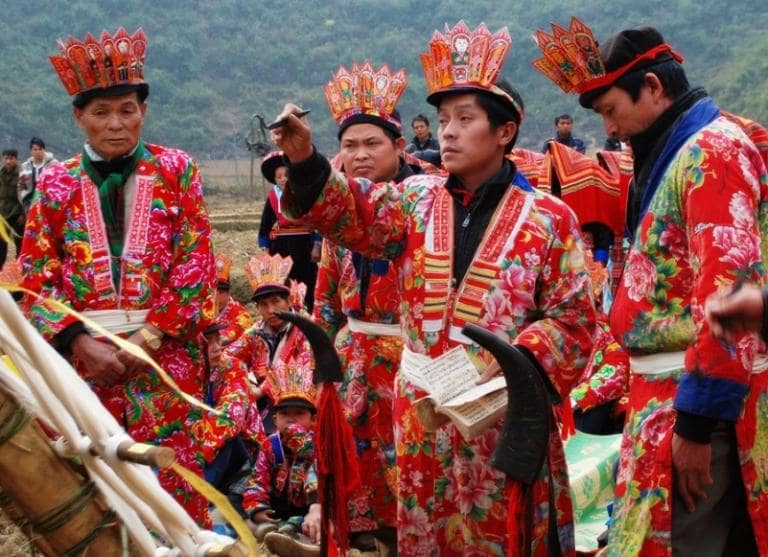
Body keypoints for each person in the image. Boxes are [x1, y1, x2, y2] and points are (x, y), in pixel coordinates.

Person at [271, 20, 597, 556]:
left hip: (502, 413)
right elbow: (352, 211)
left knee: (504, 536)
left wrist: (508, 364)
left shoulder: (549, 218)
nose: (446, 131)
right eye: (443, 119)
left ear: (505, 132)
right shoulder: (414, 200)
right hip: (422, 414)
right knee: (425, 533)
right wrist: (306, 161)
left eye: (465, 119)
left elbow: (574, 320)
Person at [535, 20, 768, 555]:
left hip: (692, 401)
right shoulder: (669, 150)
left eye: (612, 110)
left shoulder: (711, 152)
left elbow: (728, 294)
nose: (610, 128)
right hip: (658, 394)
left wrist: (696, 420)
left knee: (675, 543)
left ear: (654, 89)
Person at [20, 28, 216, 525]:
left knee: (173, 482)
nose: (115, 124)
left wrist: (145, 341)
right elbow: (37, 274)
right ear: (77, 117)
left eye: (127, 109)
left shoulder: (177, 170)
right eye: (101, 112)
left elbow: (194, 262)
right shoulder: (56, 181)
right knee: (96, 486)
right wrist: (79, 343)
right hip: (84, 365)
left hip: (165, 359)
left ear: (143, 112)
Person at [314, 61, 428, 553]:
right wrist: (320, 368)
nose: (359, 155)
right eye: (349, 145)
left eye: (372, 144)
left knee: (412, 476)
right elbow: (325, 300)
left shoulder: (428, 203)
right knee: (359, 483)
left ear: (400, 147)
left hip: (408, 364)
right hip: (353, 363)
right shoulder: (338, 213)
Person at [222, 252, 314, 436]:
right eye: (263, 304)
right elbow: (227, 358)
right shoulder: (255, 333)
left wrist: (262, 390)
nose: (270, 310)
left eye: (275, 301)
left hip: (299, 406)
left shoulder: (306, 330)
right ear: (257, 308)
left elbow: (306, 366)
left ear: (288, 301)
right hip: (265, 406)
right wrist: (243, 382)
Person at [241, 365, 320, 556]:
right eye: (285, 414)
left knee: (319, 526)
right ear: (275, 419)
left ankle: (300, 536)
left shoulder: (320, 444)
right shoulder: (270, 445)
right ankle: (281, 531)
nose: (291, 420)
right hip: (280, 507)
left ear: (313, 420)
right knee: (251, 521)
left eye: (299, 414)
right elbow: (257, 480)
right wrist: (257, 508)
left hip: (314, 507)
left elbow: (322, 476)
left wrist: (301, 442)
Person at [258, 151, 321, 312]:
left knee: (308, 281)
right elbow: (265, 225)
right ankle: (287, 314)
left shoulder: (306, 195)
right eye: (278, 177)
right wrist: (265, 249)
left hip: (304, 246)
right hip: (281, 247)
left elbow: (317, 221)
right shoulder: (273, 197)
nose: (283, 179)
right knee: (284, 282)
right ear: (275, 179)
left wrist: (317, 244)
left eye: (286, 175)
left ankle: (310, 313)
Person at [213, 253, 253, 346]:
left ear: (229, 292)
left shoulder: (241, 314)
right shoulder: (201, 309)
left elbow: (227, 338)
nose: (216, 295)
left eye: (221, 291)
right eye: (213, 291)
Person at [18, 137, 57, 215]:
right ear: (31, 151)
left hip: (48, 204)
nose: (38, 152)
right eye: (35, 149)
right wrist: (23, 200)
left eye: (40, 149)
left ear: (44, 150)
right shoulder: (25, 166)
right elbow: (20, 186)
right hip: (30, 205)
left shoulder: (53, 164)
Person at [0, 149, 24, 266]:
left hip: (17, 214)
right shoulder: (1, 173)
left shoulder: (22, 174)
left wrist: (23, 214)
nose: (8, 161)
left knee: (20, 243)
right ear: (2, 159)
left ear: (16, 159)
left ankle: (19, 269)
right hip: (3, 214)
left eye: (11, 158)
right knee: (1, 244)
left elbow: (26, 195)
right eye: (6, 158)